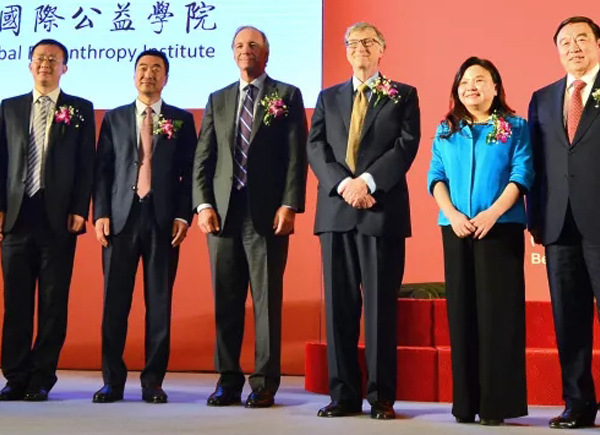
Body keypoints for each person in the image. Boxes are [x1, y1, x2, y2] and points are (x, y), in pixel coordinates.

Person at [307, 22, 420, 420]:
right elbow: (316, 147)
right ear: (345, 50)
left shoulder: (403, 94)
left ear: (381, 49)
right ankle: (343, 394)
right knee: (339, 309)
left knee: (379, 308)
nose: (360, 48)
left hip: (380, 211)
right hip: (336, 212)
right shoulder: (328, 97)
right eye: (352, 43)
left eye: (368, 42)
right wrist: (344, 186)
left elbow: (405, 146)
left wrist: (367, 182)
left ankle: (381, 396)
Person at [193, 25, 308, 408]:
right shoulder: (219, 98)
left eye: (254, 45)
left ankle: (264, 382)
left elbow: (296, 156)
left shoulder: (286, 95)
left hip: (267, 214)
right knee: (226, 301)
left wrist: (289, 204)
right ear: (233, 53)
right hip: (222, 216)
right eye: (240, 45)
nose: (246, 50)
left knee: (266, 302)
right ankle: (227, 380)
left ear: (266, 53)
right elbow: (204, 157)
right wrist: (203, 205)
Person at [427, 56, 533, 426]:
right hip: (456, 228)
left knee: (498, 317)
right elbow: (436, 176)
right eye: (464, 82)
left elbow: (522, 172)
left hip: (500, 228)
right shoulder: (447, 129)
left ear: (495, 86)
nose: (471, 87)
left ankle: (496, 406)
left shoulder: (515, 126)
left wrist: (493, 213)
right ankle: (465, 404)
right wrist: (452, 214)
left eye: (479, 80)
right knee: (462, 316)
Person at [92, 49, 197, 404]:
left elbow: (189, 174)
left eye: (156, 69)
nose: (148, 74)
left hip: (163, 220)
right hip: (120, 220)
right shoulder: (115, 118)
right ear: (133, 75)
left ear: (166, 77)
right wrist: (101, 213)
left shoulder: (181, 120)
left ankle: (153, 381)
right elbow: (102, 170)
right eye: (142, 68)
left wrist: (183, 215)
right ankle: (112, 381)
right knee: (114, 304)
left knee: (159, 303)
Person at [0, 39, 95, 401]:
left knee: (53, 303)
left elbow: (86, 164)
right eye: (40, 58)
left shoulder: (79, 109)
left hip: (58, 220)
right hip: (16, 217)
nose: (45, 64)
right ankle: (15, 375)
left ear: (64, 68)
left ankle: (42, 376)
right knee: (16, 302)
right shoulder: (9, 108)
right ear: (30, 65)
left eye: (53, 60)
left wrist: (79, 209)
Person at [528, 16, 600, 429]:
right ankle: (578, 404)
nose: (573, 47)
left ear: (597, 44)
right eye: (565, 42)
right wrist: (536, 218)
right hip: (558, 224)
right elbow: (536, 164)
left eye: (581, 39)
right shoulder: (543, 97)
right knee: (568, 320)